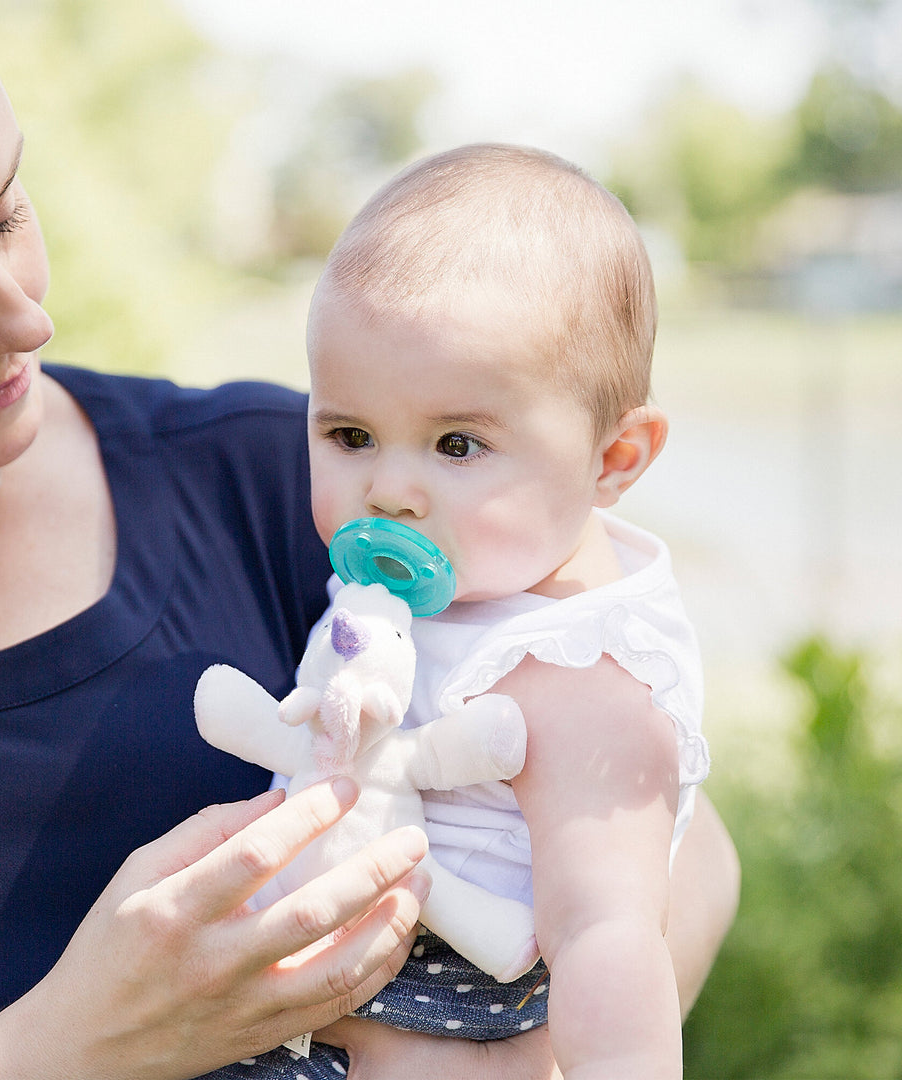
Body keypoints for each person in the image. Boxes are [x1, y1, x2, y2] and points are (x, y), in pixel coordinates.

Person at [0, 3, 737, 1078]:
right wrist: (68, 1045)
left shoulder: (292, 482)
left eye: (8, 212)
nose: (24, 318)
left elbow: (676, 849)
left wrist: (493, 1061)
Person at [208, 143, 716, 1080]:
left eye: (457, 445)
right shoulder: (438, 586)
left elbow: (610, 935)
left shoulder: (580, 673)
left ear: (614, 460)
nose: (390, 490)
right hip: (291, 982)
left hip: (441, 1008)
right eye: (351, 435)